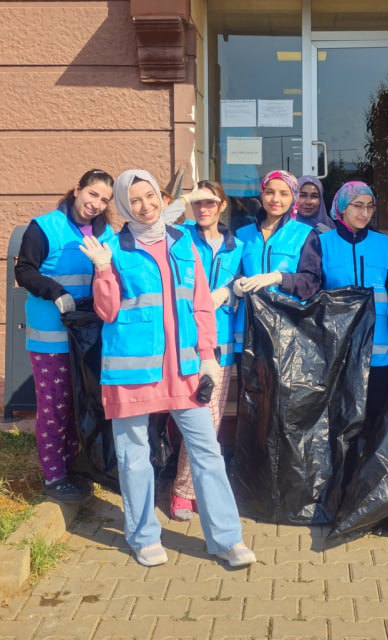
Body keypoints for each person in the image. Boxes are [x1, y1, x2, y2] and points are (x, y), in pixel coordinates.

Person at [80, 168, 256, 569]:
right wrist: (103, 270)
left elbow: (200, 303)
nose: (145, 206)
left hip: (184, 368)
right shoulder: (113, 246)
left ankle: (226, 539)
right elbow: (106, 312)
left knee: (207, 452)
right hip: (131, 371)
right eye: (135, 200)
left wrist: (208, 355)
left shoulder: (182, 241)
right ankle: (143, 536)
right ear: (124, 205)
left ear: (161, 198)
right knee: (134, 457)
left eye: (151, 197)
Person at [15, 168, 114, 503]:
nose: (96, 204)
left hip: (87, 336)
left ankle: (75, 466)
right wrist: (55, 291)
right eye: (92, 194)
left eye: (104, 200)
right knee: (55, 408)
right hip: (51, 337)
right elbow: (24, 270)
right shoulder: (45, 227)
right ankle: (54, 476)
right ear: (77, 190)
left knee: (80, 404)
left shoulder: (106, 233)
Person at [169, 179, 243, 520]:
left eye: (210, 202)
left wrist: (230, 290)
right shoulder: (179, 236)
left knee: (207, 421)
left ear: (222, 206)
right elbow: (157, 223)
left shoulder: (237, 247)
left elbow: (241, 285)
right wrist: (184, 198)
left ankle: (187, 490)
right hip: (182, 342)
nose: (203, 208)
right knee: (190, 419)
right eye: (198, 202)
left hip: (220, 347)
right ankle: (185, 488)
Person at [320, 181, 388, 420]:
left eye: (370, 207)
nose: (364, 213)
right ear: (342, 207)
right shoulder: (323, 243)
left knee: (376, 415)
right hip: (340, 346)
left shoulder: (384, 244)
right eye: (358, 206)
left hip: (380, 346)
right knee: (342, 417)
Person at [233, 170, 322, 317]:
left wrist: (279, 278)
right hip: (247, 322)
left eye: (283, 194)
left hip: (286, 323)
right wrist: (236, 284)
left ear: (294, 198)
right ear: (261, 194)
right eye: (269, 192)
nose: (275, 199)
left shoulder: (305, 234)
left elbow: (312, 283)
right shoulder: (242, 234)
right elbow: (232, 273)